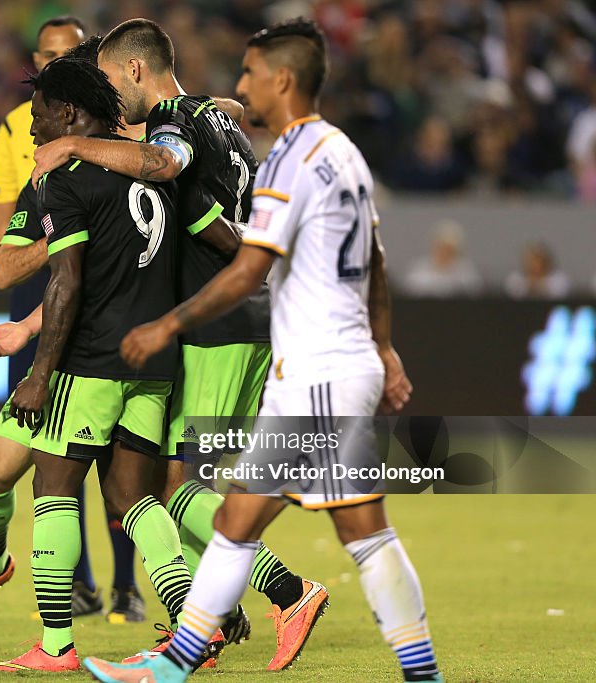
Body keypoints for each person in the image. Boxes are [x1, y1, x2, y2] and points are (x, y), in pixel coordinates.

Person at [85, 19, 443, 683]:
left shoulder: (290, 158)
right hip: (320, 360)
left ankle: (183, 656)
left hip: (312, 367)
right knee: (323, 526)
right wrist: (386, 350)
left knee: (208, 497)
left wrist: (166, 326)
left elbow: (248, 264)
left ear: (282, 79)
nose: (239, 88)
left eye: (250, 75)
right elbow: (377, 256)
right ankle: (413, 671)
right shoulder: (338, 151)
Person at [30, 17, 324, 667]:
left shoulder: (179, 124)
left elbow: (162, 159)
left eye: (110, 79)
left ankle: (288, 591)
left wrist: (75, 148)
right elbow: (231, 110)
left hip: (215, 324)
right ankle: (204, 623)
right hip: (248, 319)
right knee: (172, 483)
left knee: (181, 488)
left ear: (136, 70)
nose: (107, 99)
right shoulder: (215, 116)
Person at [0, 56, 190, 673]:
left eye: (41, 114)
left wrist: (41, 373)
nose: (35, 127)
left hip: (93, 359)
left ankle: (56, 648)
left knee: (53, 489)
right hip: (154, 361)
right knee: (135, 497)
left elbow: (66, 281)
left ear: (69, 113)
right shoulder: (155, 170)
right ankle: (189, 628)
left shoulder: (66, 177)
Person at [0, 17, 143, 627]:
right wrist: (2, 300)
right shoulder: (38, 157)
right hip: (64, 322)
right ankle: (0, 565)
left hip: (92, 346)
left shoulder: (130, 147)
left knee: (103, 487)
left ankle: (116, 618)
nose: (33, 121)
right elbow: (21, 258)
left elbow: (78, 275)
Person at [402, 219, 482, 297]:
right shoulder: (418, 270)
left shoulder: (466, 272)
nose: (444, 253)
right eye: (441, 247)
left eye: (449, 249)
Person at [505, 242, 570, 299]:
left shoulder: (559, 279)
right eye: (531, 261)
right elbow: (514, 290)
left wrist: (537, 286)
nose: (534, 265)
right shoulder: (516, 278)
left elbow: (559, 291)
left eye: (537, 260)